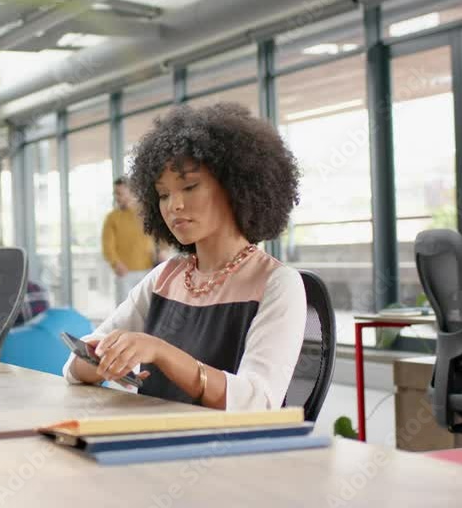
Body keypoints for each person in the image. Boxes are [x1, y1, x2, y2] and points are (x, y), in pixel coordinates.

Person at [64, 103, 306, 411]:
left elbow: (256, 402)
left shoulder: (278, 283)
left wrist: (161, 352)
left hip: (231, 453)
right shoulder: (165, 277)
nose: (173, 206)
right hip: (154, 443)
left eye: (189, 187)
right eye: (163, 194)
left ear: (236, 187)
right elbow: (73, 367)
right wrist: (102, 358)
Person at [102, 176, 156, 304]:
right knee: (125, 310)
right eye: (115, 193)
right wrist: (115, 263)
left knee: (148, 309)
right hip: (124, 272)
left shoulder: (145, 213)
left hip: (148, 270)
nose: (117, 197)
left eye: (120, 193)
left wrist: (162, 251)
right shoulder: (112, 218)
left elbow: (159, 236)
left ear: (131, 192)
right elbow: (107, 245)